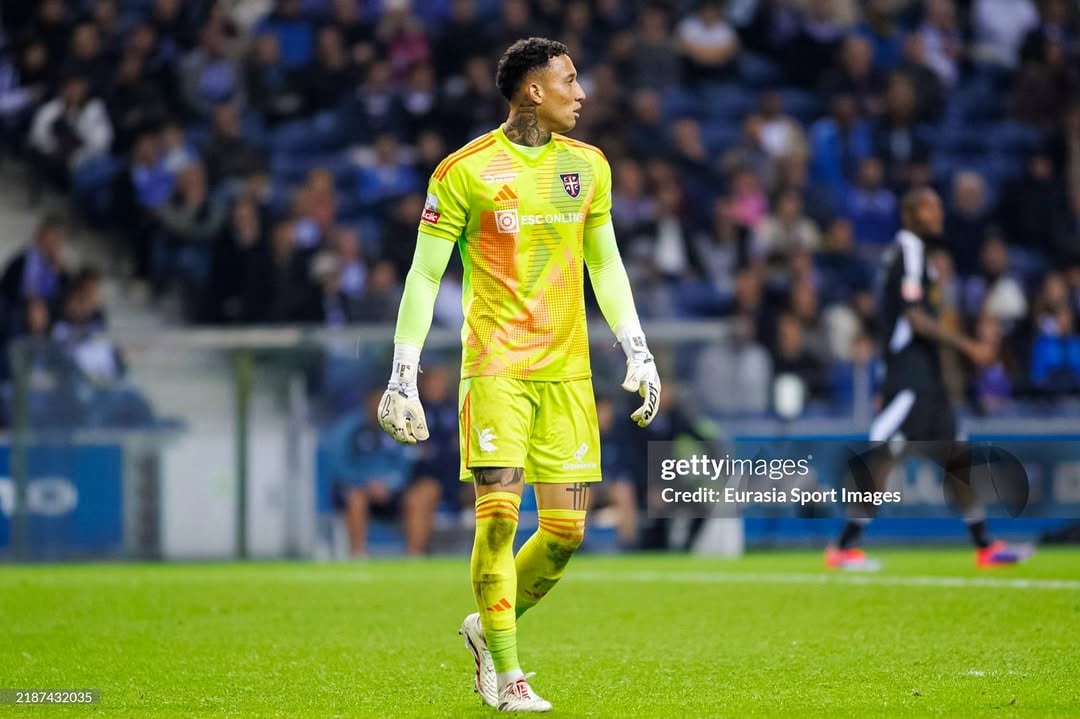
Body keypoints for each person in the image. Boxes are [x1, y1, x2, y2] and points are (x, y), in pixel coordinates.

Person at [376, 38, 660, 712]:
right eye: (569, 80)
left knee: (565, 534)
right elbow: (424, 273)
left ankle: (486, 628)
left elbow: (604, 263)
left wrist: (638, 348)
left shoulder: (588, 166)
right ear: (533, 90)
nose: (581, 92)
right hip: (496, 366)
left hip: (567, 372)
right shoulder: (464, 171)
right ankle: (509, 676)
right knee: (500, 519)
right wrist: (403, 373)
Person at [825, 188, 1035, 571]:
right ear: (908, 214)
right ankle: (844, 546)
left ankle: (985, 544)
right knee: (885, 455)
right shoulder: (908, 250)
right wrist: (969, 346)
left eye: (938, 205)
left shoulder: (918, 256)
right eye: (927, 207)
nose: (937, 213)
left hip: (927, 378)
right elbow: (914, 317)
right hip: (908, 377)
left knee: (956, 455)